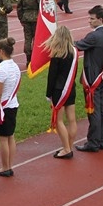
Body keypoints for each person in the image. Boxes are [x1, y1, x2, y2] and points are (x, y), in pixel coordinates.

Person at [75, 5, 103, 152]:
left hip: (93, 79)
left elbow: (77, 45)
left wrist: (62, 40)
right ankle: (102, 139)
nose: (89, 21)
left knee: (94, 111)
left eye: (92, 19)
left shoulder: (94, 36)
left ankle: (93, 142)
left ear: (100, 19)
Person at [44, 26, 78, 158]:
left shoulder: (57, 54)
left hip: (59, 91)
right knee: (72, 119)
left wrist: (48, 94)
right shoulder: (74, 52)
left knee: (58, 121)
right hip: (71, 88)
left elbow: (52, 76)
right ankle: (69, 145)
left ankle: (66, 149)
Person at [0, 37, 20, 176]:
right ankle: (9, 164)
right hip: (13, 103)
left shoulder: (2, 69)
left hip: (4, 107)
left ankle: (5, 167)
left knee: (3, 139)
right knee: (10, 136)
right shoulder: (15, 66)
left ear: (1, 51)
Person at [17, 0, 40, 67]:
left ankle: (28, 59)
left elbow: (19, 8)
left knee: (27, 38)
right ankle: (35, 58)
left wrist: (21, 18)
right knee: (36, 39)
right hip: (36, 18)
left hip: (26, 17)